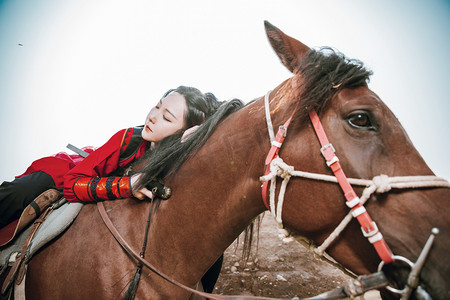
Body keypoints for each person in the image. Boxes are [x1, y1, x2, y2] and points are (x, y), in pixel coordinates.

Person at [0, 86, 222, 229]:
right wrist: (127, 185)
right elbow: (71, 184)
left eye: (166, 117)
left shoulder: (181, 155)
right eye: (157, 106)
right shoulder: (128, 138)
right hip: (68, 172)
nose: (153, 117)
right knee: (18, 193)